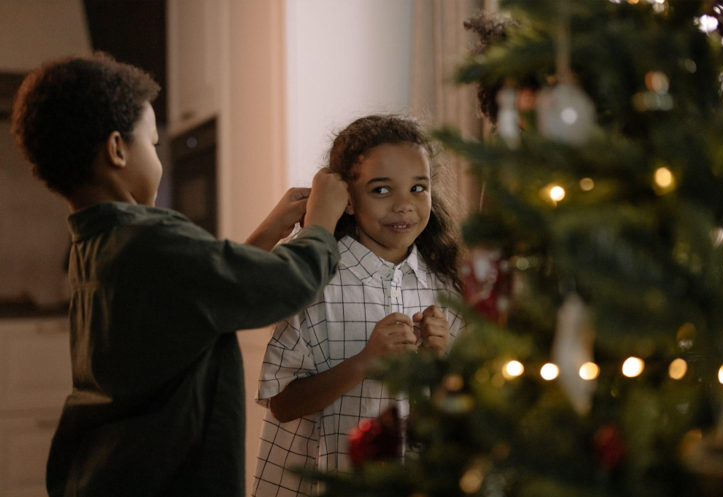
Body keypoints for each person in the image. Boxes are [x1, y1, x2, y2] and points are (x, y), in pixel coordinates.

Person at [10, 53, 349, 497]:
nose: (158, 157)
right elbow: (283, 286)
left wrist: (268, 232)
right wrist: (322, 222)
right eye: (152, 143)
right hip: (168, 477)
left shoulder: (96, 243)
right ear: (116, 150)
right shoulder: (151, 239)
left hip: (107, 470)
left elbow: (201, 295)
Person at [252, 115, 467, 497]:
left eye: (419, 188)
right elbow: (283, 404)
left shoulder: (446, 285)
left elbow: (457, 411)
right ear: (347, 201)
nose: (404, 206)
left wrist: (439, 363)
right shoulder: (314, 280)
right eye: (382, 190)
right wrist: (364, 361)